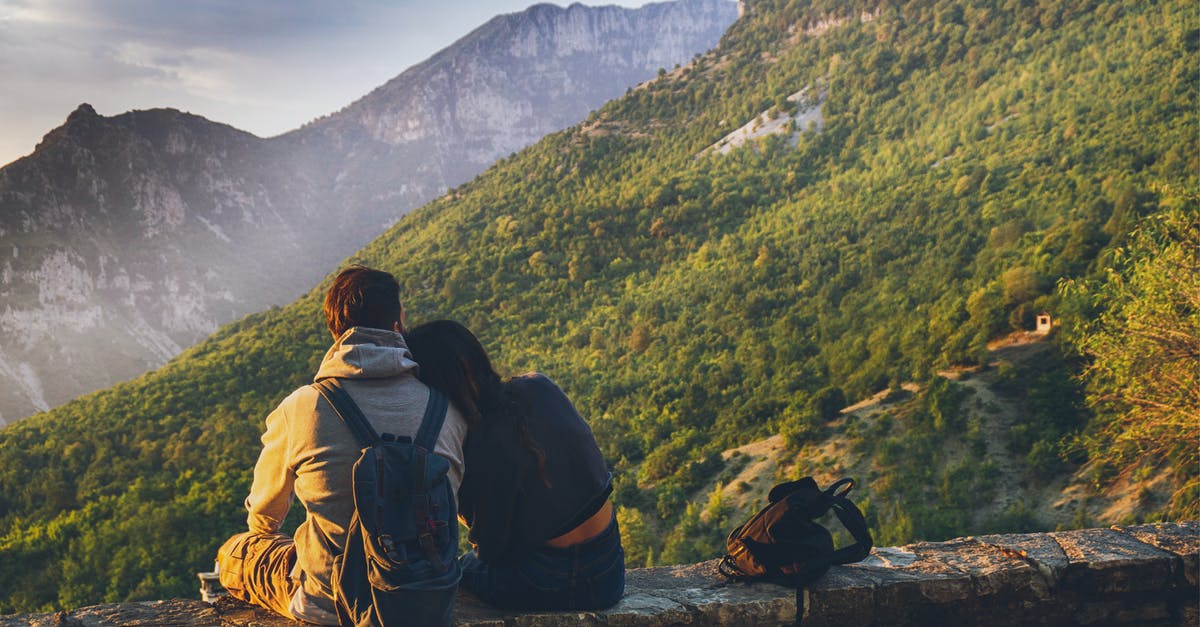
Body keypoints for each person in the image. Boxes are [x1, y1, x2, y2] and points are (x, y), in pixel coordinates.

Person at [215, 266, 468, 624]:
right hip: (423, 599)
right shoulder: (447, 409)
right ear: (398, 326)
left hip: (329, 602)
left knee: (235, 552)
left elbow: (264, 515)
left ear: (336, 333)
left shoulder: (303, 405)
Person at [404, 320, 624, 611]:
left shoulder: (483, 443)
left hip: (552, 581)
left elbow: (490, 552)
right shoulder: (538, 385)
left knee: (458, 570)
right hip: (611, 568)